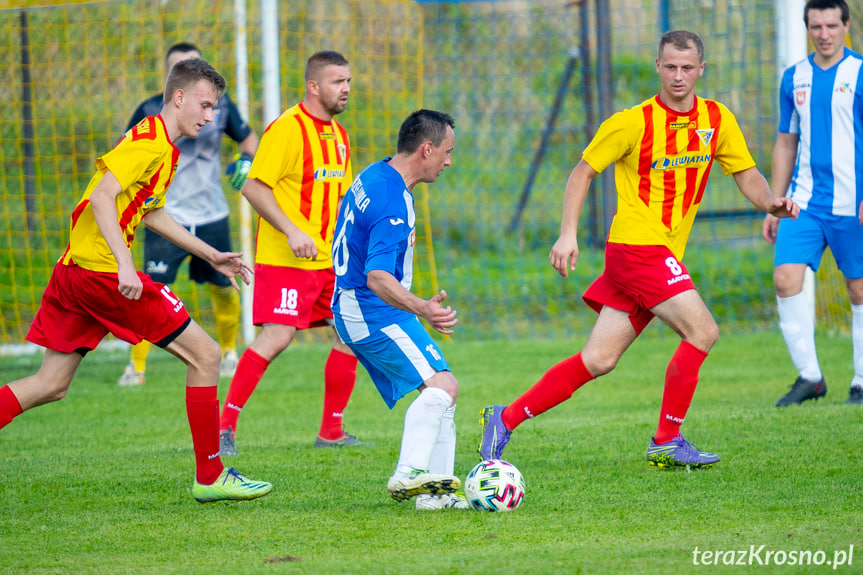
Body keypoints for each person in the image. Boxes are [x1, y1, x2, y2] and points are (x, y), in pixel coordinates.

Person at [479, 31, 800, 469]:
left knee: (599, 359)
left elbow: (745, 173)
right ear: (657, 66)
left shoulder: (717, 120)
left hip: (657, 254)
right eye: (670, 67)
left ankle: (504, 418)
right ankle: (667, 439)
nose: (679, 76)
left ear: (701, 69)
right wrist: (567, 233)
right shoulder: (632, 121)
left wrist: (770, 203)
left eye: (688, 68)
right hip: (636, 248)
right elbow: (581, 172)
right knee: (703, 331)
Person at [0, 58, 272, 503]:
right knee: (205, 355)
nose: (210, 117)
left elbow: (151, 211)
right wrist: (127, 266)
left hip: (76, 270)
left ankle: (211, 476)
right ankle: (211, 475)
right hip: (103, 273)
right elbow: (102, 196)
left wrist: (211, 255)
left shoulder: (164, 146)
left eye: (215, 108)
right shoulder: (148, 142)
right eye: (204, 106)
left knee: (51, 383)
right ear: (179, 97)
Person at [218, 50, 367, 454]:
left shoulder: (339, 135)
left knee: (348, 334)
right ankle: (224, 428)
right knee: (278, 337)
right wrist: (291, 231)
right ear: (314, 86)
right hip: (287, 261)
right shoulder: (286, 128)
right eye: (339, 81)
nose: (347, 89)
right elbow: (252, 186)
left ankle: (331, 431)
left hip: (329, 263)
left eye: (349, 81)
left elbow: (342, 199)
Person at [331, 109, 466, 510]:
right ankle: (408, 474)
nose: (448, 161)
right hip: (369, 308)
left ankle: (435, 497)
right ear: (426, 149)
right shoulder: (393, 202)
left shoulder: (376, 173)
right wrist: (423, 307)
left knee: (445, 388)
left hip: (366, 305)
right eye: (446, 152)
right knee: (441, 388)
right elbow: (376, 276)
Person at [117, 42, 259, 387]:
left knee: (224, 288)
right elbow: (121, 159)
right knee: (151, 290)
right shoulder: (149, 112)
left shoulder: (218, 108)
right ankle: (137, 366)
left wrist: (246, 161)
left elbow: (249, 139)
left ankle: (228, 352)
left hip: (211, 214)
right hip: (164, 214)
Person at [763, 0, 863, 407]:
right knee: (785, 279)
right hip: (804, 203)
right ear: (807, 27)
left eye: (831, 25)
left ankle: (860, 380)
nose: (823, 34)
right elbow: (786, 141)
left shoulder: (860, 72)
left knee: (858, 289)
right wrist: (774, 200)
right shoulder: (794, 77)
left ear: (846, 25)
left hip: (852, 203)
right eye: (816, 26)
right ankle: (810, 377)